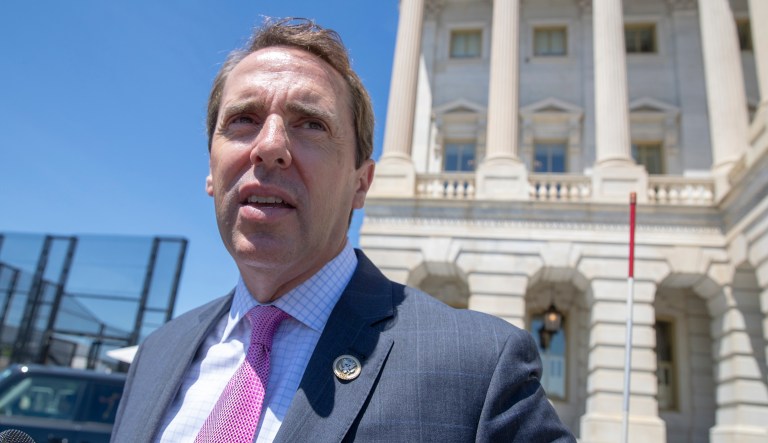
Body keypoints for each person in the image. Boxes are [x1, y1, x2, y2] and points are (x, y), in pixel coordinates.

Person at [111, 18, 576, 442]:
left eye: (310, 124)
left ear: (361, 184)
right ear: (211, 170)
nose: (269, 147)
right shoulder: (156, 356)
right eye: (243, 120)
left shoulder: (480, 368)